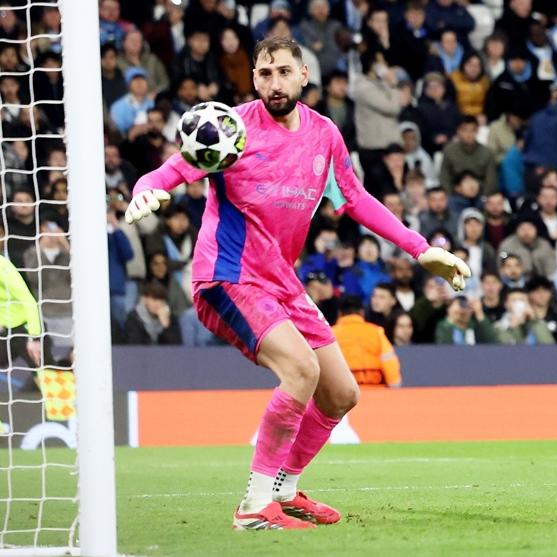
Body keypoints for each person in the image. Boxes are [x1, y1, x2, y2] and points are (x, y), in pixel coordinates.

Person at [122, 37, 470, 529]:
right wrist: (147, 192)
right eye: (265, 74)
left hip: (281, 281)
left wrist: (421, 248)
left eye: (284, 72)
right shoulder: (230, 129)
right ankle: (252, 507)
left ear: (304, 75)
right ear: (254, 79)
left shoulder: (324, 134)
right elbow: (169, 171)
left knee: (341, 393)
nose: (274, 82)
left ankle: (283, 489)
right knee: (301, 371)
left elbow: (355, 199)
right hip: (228, 277)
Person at [331, 296, 402, 388]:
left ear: (339, 313)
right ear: (362, 312)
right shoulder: (376, 332)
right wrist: (394, 386)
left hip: (344, 392)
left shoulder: (331, 333)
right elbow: (389, 361)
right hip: (375, 391)